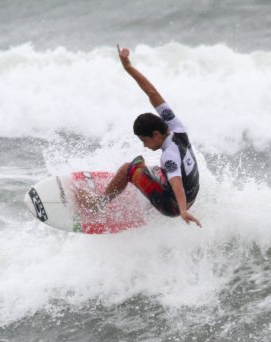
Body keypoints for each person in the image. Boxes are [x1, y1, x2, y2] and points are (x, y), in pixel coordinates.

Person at [83, 45, 201, 227]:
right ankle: (148, 197)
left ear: (156, 134)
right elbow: (152, 93)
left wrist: (183, 210)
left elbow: (176, 181)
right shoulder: (177, 127)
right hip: (192, 193)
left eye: (145, 140)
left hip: (174, 205)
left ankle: (97, 206)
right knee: (143, 164)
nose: (145, 145)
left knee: (127, 169)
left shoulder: (169, 155)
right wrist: (128, 67)